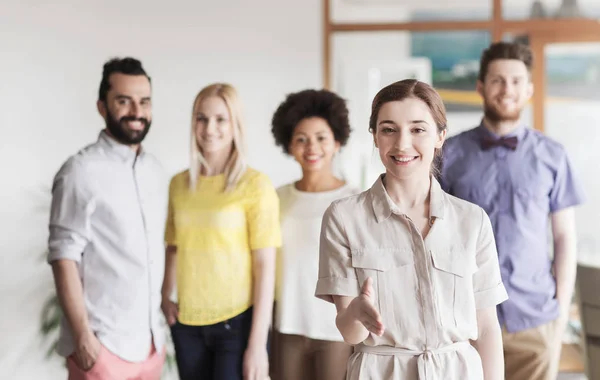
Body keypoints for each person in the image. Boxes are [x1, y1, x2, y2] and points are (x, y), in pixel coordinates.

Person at [315, 79, 508, 380]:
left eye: (418, 129)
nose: (402, 144)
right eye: (388, 129)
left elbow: (486, 327)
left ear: (440, 136)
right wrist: (356, 312)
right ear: (375, 137)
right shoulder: (344, 217)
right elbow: (350, 332)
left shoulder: (473, 220)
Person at [441, 41, 585, 380]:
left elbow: (564, 236)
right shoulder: (448, 154)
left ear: (529, 89)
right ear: (480, 86)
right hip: (465, 318)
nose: (507, 90)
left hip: (535, 319)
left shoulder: (553, 155)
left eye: (517, 81)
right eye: (497, 80)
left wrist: (560, 314)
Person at [48, 57, 167, 380]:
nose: (136, 111)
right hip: (103, 348)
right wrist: (84, 337)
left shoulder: (156, 172)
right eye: (123, 101)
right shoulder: (79, 172)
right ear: (102, 107)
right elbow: (63, 257)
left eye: (144, 101)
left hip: (150, 346)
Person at [160, 83, 281, 380]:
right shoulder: (179, 184)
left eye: (220, 119)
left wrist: (257, 346)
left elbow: (265, 266)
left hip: (237, 324)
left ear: (235, 124)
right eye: (201, 118)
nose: (209, 128)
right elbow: (173, 245)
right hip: (186, 324)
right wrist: (164, 295)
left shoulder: (255, 184)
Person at [270, 89, 357, 380]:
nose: (311, 147)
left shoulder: (355, 200)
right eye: (301, 139)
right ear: (289, 144)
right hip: (287, 325)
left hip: (336, 329)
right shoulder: (275, 198)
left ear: (337, 142)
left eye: (321, 137)